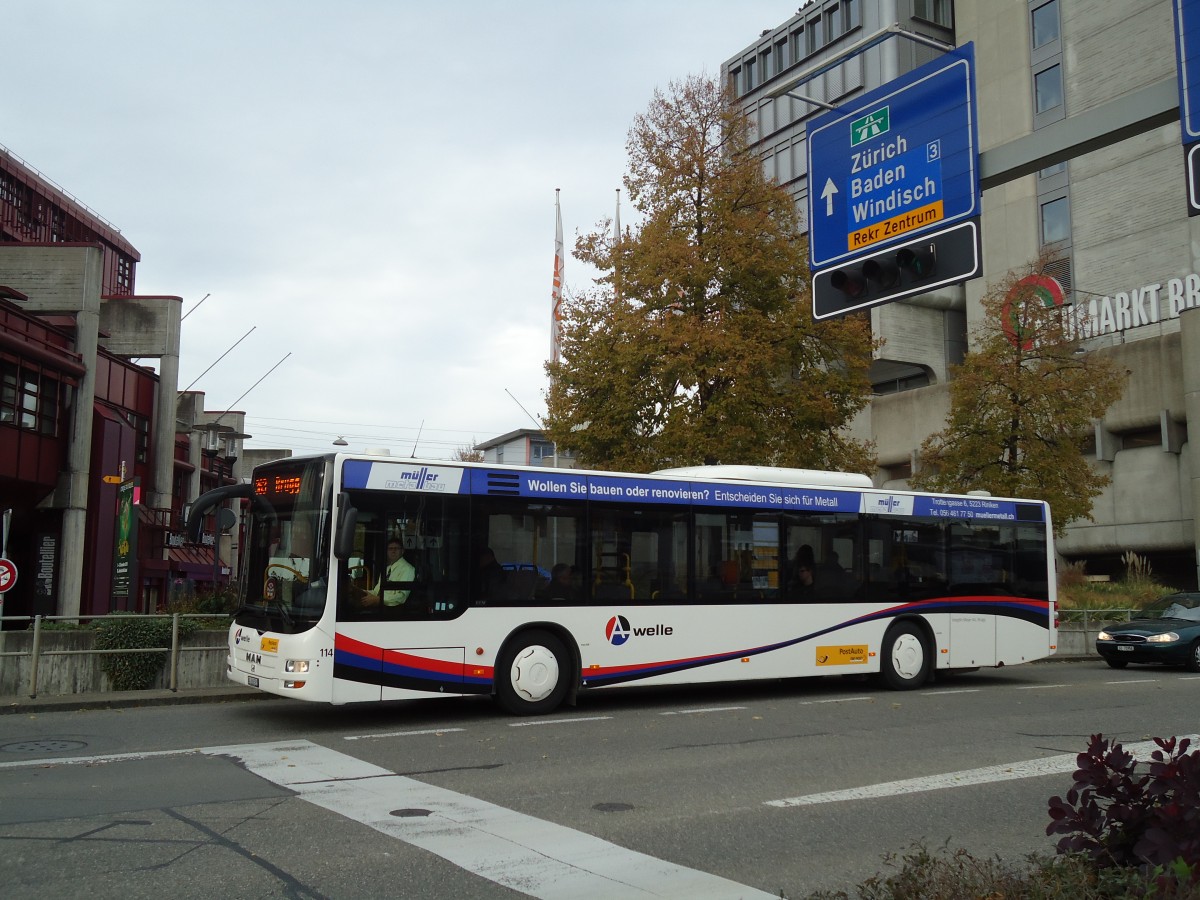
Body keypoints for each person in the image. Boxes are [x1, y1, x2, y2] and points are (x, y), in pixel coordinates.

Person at [360, 538, 415, 608]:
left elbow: (401, 597)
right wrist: (363, 592)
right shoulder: (387, 569)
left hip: (394, 611)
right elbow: (376, 592)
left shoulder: (408, 569)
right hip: (380, 607)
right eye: (390, 549)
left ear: (402, 551)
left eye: (396, 548)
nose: (393, 551)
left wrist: (379, 599)